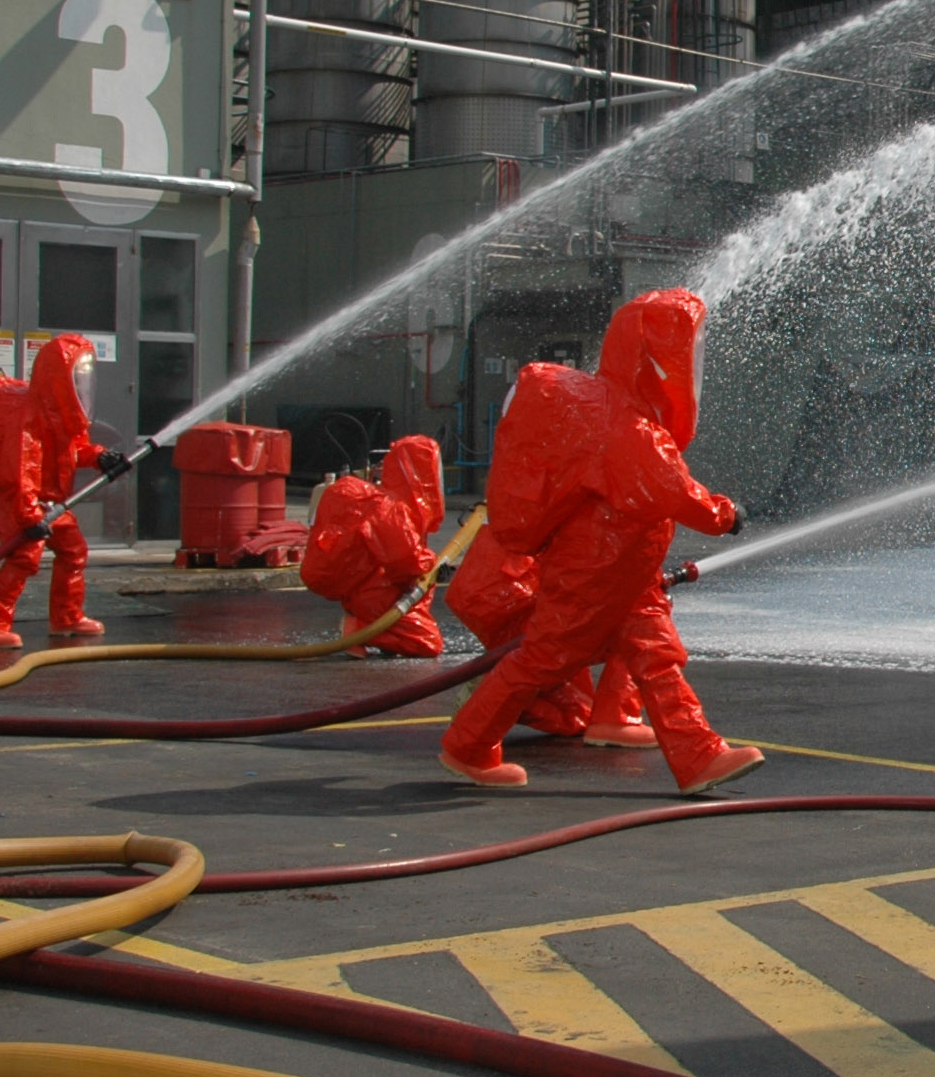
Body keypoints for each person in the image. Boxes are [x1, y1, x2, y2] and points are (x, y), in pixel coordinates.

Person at [437, 288, 759, 794]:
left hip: (626, 571)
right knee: (544, 658)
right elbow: (672, 491)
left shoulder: (620, 417)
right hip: (592, 572)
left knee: (656, 655)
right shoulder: (627, 427)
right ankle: (468, 746)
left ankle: (699, 756)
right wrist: (726, 515)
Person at [0, 333, 119, 651]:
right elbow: (19, 473)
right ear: (59, 376)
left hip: (49, 501)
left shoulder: (63, 412)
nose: (82, 384)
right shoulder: (27, 418)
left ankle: (67, 617)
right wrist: (29, 516)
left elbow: (74, 449)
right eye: (77, 375)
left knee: (73, 551)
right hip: (16, 498)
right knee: (24, 557)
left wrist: (101, 457)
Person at [444, 527, 655, 748]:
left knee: (578, 715)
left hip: (500, 589)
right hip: (523, 593)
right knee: (640, 622)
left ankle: (489, 697)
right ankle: (617, 718)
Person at [300, 435, 449, 657]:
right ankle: (360, 629)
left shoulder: (386, 503)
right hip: (374, 594)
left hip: (364, 589)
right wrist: (433, 563)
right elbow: (408, 562)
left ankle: (370, 630)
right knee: (426, 643)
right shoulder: (389, 508)